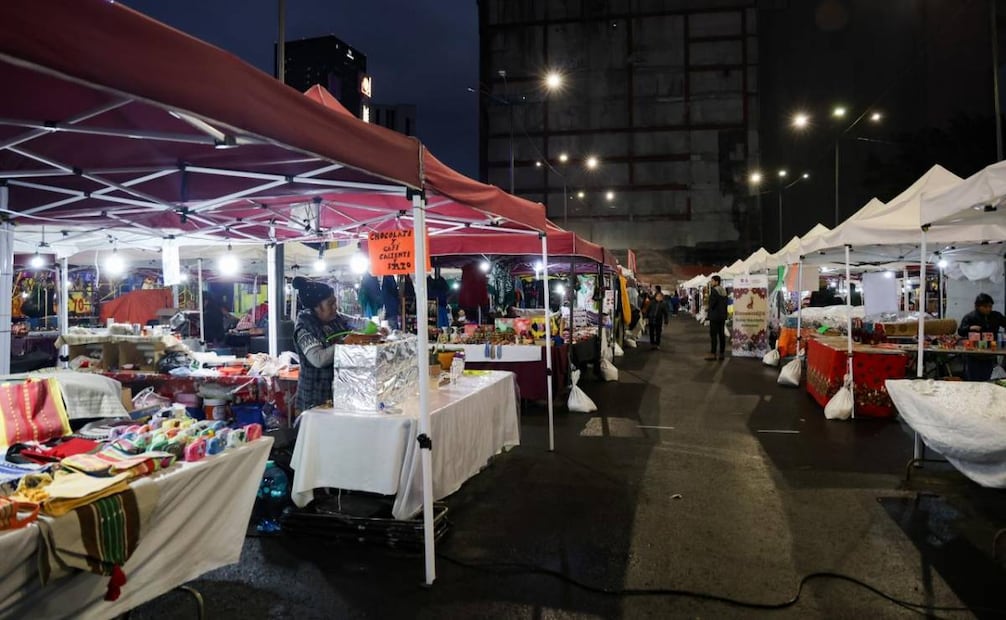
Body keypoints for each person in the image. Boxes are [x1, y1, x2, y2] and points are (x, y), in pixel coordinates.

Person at [292, 276, 368, 412]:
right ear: (317, 307)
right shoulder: (304, 328)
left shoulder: (334, 318)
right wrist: (345, 343)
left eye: (335, 303)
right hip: (314, 400)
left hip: (337, 394)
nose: (335, 307)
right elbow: (318, 359)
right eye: (330, 304)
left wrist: (375, 327)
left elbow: (357, 322)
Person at [957, 293, 1006, 381]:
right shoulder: (970, 317)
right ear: (978, 306)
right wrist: (970, 328)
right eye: (986, 307)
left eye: (990, 306)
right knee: (973, 379)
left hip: (990, 353)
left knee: (987, 378)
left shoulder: (996, 316)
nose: (989, 309)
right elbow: (960, 331)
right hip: (974, 354)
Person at [705, 275, 729, 361]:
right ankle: (722, 353)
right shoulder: (724, 291)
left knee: (714, 335)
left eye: (712, 281)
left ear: (716, 282)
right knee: (721, 335)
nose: (711, 283)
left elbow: (712, 304)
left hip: (715, 316)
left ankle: (713, 353)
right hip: (722, 316)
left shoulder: (714, 291)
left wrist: (708, 307)